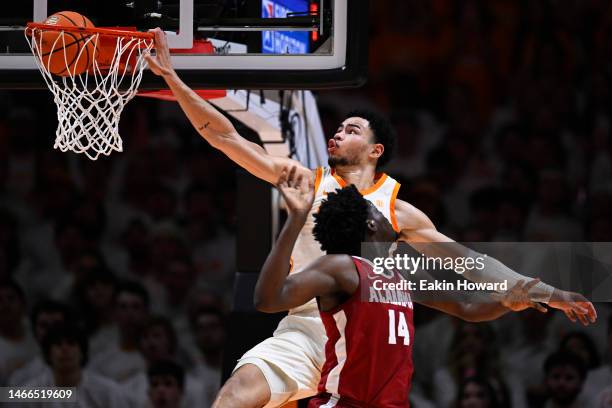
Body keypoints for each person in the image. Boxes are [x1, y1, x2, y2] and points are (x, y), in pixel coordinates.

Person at [144, 29, 597, 407]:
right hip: (304, 327)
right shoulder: (306, 180)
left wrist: (536, 289)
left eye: (352, 129)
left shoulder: (398, 210)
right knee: (233, 396)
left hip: (366, 337)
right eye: (338, 129)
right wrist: (174, 80)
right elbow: (226, 138)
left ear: (376, 151)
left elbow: (468, 262)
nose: (338, 133)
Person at [250, 168, 550, 407]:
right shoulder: (342, 267)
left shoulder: (400, 273)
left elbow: (466, 307)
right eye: (379, 211)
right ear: (371, 225)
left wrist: (507, 303)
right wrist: (294, 221)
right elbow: (267, 300)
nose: (390, 214)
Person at [26, 323, 130, 408]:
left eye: (71, 344)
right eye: (58, 344)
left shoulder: (108, 391)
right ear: (48, 354)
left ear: (82, 353)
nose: (65, 349)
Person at [9, 300, 72, 385]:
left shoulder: (87, 367)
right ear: (35, 331)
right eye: (44, 325)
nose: (51, 330)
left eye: (57, 325)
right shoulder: (20, 378)